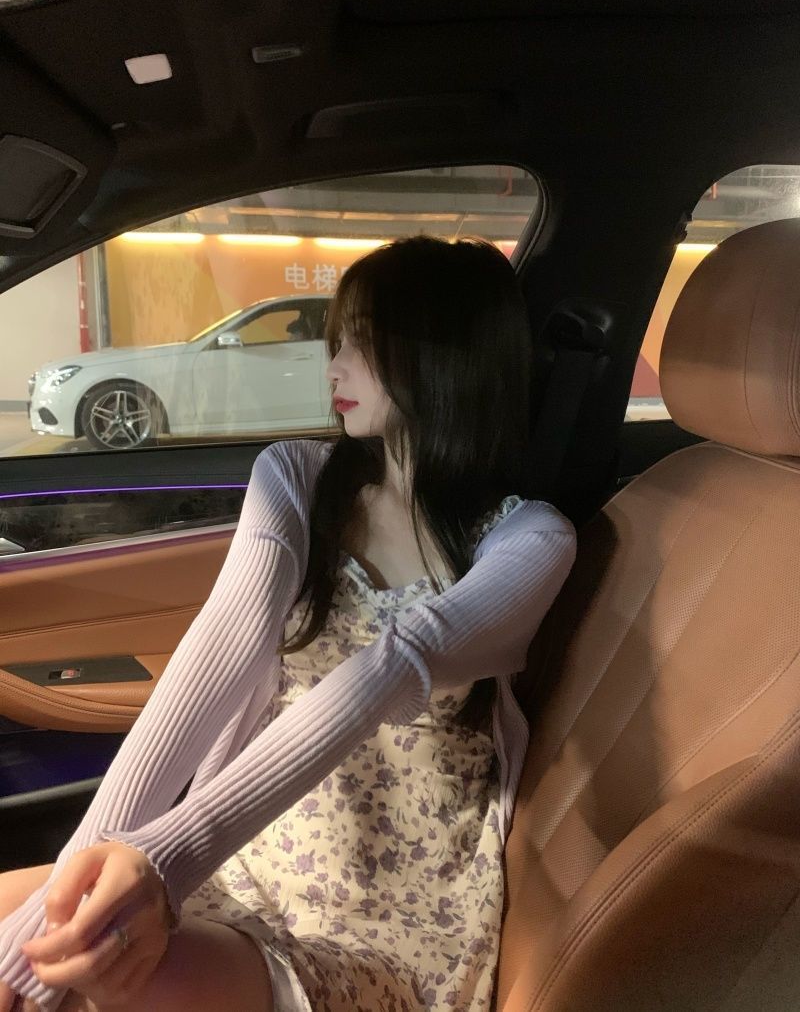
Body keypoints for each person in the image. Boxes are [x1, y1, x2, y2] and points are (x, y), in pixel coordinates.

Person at [0, 235, 576, 1012]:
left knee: (101, 971)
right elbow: (227, 640)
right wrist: (91, 869)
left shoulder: (529, 541)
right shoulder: (298, 476)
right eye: (338, 341)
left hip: (384, 917)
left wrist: (163, 859)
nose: (333, 366)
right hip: (243, 857)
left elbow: (388, 670)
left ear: (446, 356)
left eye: (361, 343)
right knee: (32, 922)